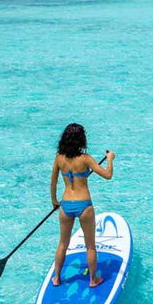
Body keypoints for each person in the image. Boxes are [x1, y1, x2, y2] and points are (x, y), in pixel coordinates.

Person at [49, 123, 115, 288]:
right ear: (81, 140)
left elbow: (53, 182)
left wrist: (54, 201)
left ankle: (57, 278)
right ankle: (93, 280)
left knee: (63, 243)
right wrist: (110, 160)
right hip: (84, 205)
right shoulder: (86, 159)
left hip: (65, 205)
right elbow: (108, 175)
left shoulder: (59, 158)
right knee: (90, 246)